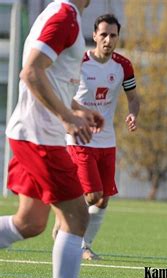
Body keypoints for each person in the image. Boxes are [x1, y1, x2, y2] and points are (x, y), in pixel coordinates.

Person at [0, 1, 103, 278]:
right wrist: (66, 118)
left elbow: (50, 76)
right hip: (39, 137)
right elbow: (30, 72)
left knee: (29, 222)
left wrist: (76, 109)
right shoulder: (63, 16)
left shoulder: (63, 13)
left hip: (34, 133)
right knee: (77, 217)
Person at [52, 14, 140, 260]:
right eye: (103, 34)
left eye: (113, 35)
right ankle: (70, 230)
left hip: (107, 140)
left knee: (102, 201)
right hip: (80, 137)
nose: (108, 39)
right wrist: (72, 118)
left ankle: (84, 244)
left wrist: (133, 114)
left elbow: (133, 98)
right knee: (92, 195)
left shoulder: (123, 65)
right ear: (94, 36)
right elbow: (61, 93)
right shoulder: (78, 62)